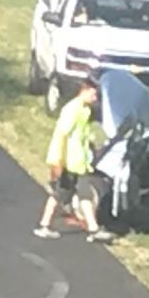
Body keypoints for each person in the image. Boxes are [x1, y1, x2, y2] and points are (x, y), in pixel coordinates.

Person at [34, 76, 114, 242]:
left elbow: (82, 135)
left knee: (84, 194)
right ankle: (44, 226)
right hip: (68, 163)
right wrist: (57, 161)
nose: (96, 98)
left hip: (79, 163)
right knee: (60, 194)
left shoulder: (85, 109)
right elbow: (60, 135)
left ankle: (93, 229)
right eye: (94, 94)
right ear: (84, 91)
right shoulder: (72, 110)